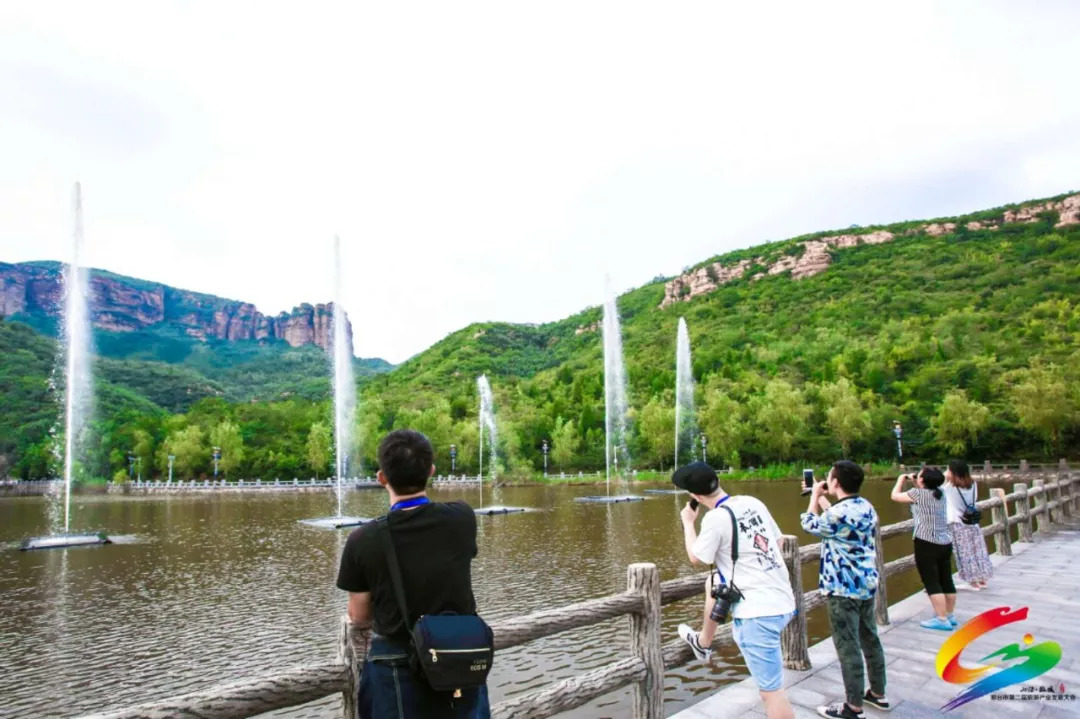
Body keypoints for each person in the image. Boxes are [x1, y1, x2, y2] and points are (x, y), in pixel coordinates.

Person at [336, 429, 489, 719]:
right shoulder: (462, 518)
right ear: (431, 471)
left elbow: (359, 616)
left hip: (395, 665)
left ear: (382, 477)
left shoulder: (362, 539)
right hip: (458, 659)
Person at [674, 462, 797, 719]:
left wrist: (688, 523)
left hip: (758, 614)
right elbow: (778, 540)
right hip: (784, 600)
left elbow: (696, 557)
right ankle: (703, 642)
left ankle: (703, 643)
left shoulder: (716, 518)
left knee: (771, 693)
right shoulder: (751, 502)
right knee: (713, 584)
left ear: (694, 496)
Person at [801, 460, 889, 719]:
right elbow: (838, 522)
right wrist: (824, 500)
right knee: (870, 638)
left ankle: (853, 707)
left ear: (835, 482)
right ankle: (878, 693)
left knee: (848, 646)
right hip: (866, 584)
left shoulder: (837, 514)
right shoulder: (865, 507)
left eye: (830, 476)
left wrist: (814, 497)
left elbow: (810, 523)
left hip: (842, 588)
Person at [890, 466, 956, 631]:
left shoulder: (918, 494)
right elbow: (925, 490)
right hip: (944, 542)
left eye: (919, 476)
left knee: (931, 582)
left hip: (926, 542)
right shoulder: (940, 493)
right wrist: (916, 480)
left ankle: (941, 620)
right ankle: (949, 614)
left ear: (922, 481)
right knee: (946, 580)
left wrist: (900, 480)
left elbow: (895, 496)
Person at [944, 460, 993, 590]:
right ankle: (982, 579)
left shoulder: (950, 487)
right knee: (977, 550)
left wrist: (944, 477)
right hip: (972, 522)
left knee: (964, 552)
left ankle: (972, 582)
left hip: (958, 523)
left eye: (948, 469)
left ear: (953, 472)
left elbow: (938, 492)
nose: (946, 472)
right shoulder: (973, 484)